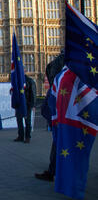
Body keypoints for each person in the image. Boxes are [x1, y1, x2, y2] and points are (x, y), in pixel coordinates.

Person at [35, 51, 64, 182]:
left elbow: (51, 72)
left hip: (63, 108)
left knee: (59, 139)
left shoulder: (63, 62)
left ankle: (54, 171)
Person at [14, 74, 36, 143]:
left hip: (27, 105)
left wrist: (33, 105)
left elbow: (33, 93)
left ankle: (27, 137)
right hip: (19, 104)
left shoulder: (30, 81)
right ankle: (20, 136)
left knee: (27, 122)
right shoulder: (16, 81)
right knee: (19, 121)